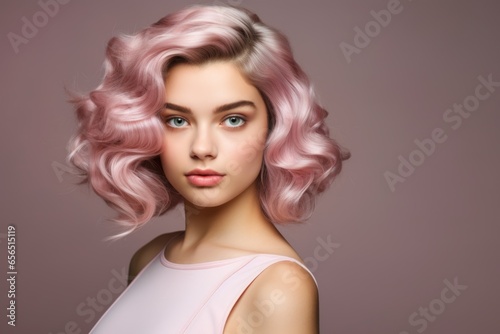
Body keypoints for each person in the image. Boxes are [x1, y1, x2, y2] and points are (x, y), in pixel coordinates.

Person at [66, 4, 350, 333]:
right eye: (177, 120)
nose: (202, 148)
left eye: (232, 120)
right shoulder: (150, 258)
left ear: (275, 127)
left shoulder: (278, 288)